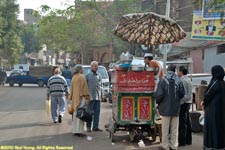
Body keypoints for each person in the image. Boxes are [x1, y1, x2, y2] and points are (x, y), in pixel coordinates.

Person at [155, 64, 185, 150]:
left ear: (168, 70)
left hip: (165, 109)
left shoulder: (163, 80)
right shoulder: (178, 80)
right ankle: (174, 145)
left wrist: (158, 102)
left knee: (165, 129)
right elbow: (182, 93)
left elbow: (159, 95)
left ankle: (165, 146)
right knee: (174, 129)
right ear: (175, 70)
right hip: (175, 109)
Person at [201, 65, 225, 150]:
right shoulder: (222, 82)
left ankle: (211, 146)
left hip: (212, 111)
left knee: (212, 129)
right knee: (220, 128)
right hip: (221, 110)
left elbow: (208, 95)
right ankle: (220, 145)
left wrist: (203, 103)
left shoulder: (215, 82)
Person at [69, 64, 90, 137]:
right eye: (82, 69)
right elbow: (85, 89)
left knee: (75, 115)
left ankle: (75, 130)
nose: (83, 70)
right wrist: (88, 98)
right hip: (81, 98)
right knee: (81, 114)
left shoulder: (73, 77)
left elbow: (71, 90)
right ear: (80, 70)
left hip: (75, 99)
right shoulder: (82, 77)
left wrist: (71, 98)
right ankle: (80, 131)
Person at [86, 61, 103, 132]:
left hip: (97, 97)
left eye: (97, 66)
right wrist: (86, 97)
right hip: (90, 98)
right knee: (89, 113)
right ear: (91, 67)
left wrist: (101, 95)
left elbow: (100, 86)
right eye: (95, 66)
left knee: (97, 113)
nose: (96, 67)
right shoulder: (87, 75)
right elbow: (85, 87)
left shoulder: (99, 75)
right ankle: (88, 127)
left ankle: (95, 127)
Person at [177, 66, 192, 146]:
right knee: (187, 122)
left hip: (184, 103)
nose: (177, 73)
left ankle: (182, 141)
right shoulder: (188, 79)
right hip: (188, 102)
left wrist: (179, 101)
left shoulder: (182, 81)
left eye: (178, 71)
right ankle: (188, 140)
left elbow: (183, 94)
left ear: (181, 71)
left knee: (182, 123)